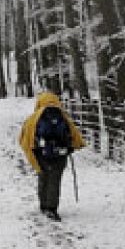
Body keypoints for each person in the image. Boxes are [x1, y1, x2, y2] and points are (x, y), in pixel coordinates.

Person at [18, 91, 85, 221]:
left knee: (43, 177)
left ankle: (44, 204)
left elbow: (23, 137)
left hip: (41, 154)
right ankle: (52, 208)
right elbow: (74, 135)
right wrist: (71, 147)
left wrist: (33, 149)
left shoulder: (33, 118)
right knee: (55, 179)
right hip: (60, 154)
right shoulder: (63, 116)